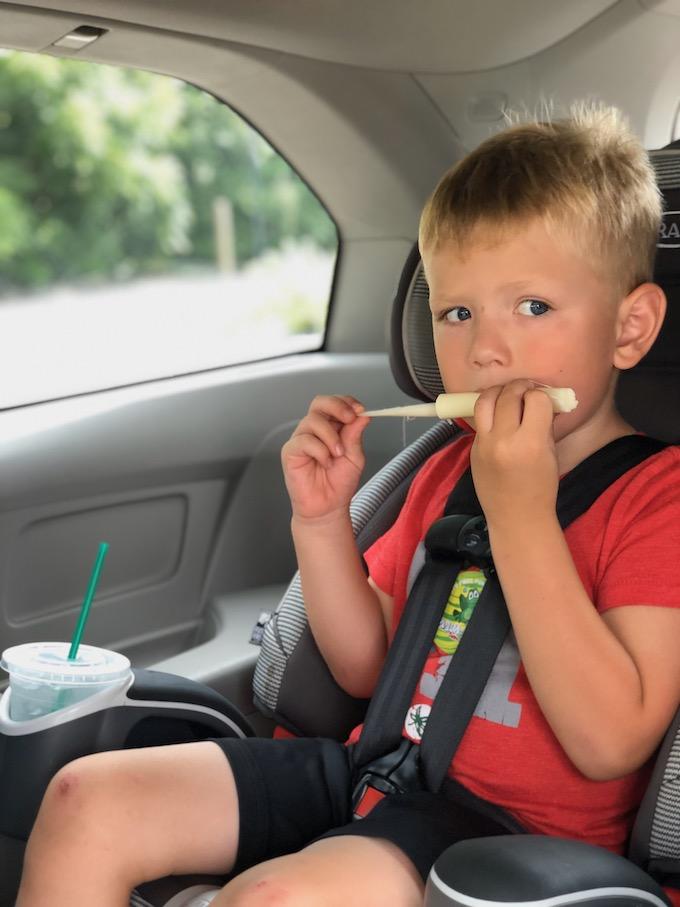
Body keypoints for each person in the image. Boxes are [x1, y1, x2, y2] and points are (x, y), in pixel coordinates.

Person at [16, 101, 680, 907]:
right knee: (85, 800)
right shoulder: (443, 470)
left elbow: (611, 738)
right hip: (374, 775)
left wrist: (521, 514)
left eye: (532, 307)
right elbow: (366, 664)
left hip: (504, 843)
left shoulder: (659, 496)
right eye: (456, 312)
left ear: (631, 328)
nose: (486, 347)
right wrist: (323, 520)